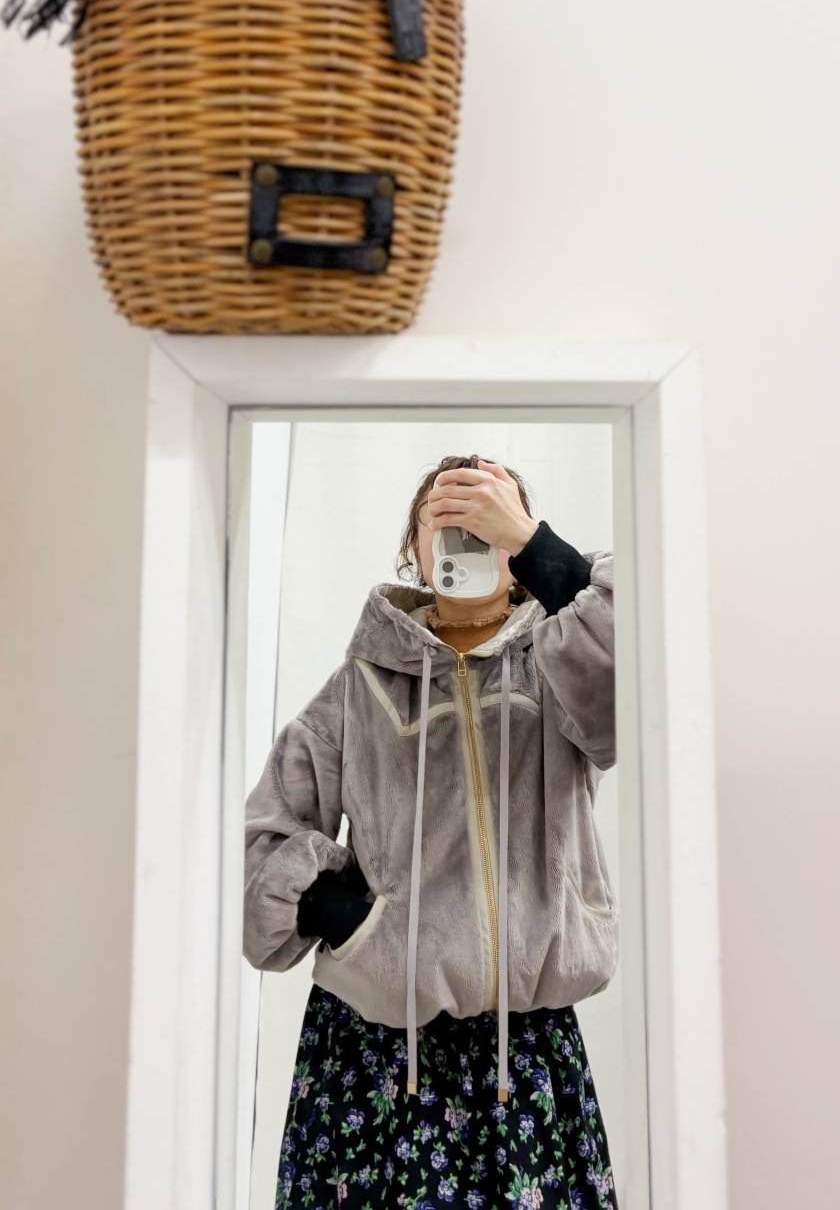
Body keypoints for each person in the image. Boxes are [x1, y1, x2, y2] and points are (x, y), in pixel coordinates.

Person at [244, 454, 619, 1210]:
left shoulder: (564, 666)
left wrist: (536, 545)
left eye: (486, 520)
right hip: (377, 1057)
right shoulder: (360, 687)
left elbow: (644, 689)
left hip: (526, 1056)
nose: (466, 535)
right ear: (414, 549)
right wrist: (355, 924)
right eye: (445, 521)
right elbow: (263, 841)